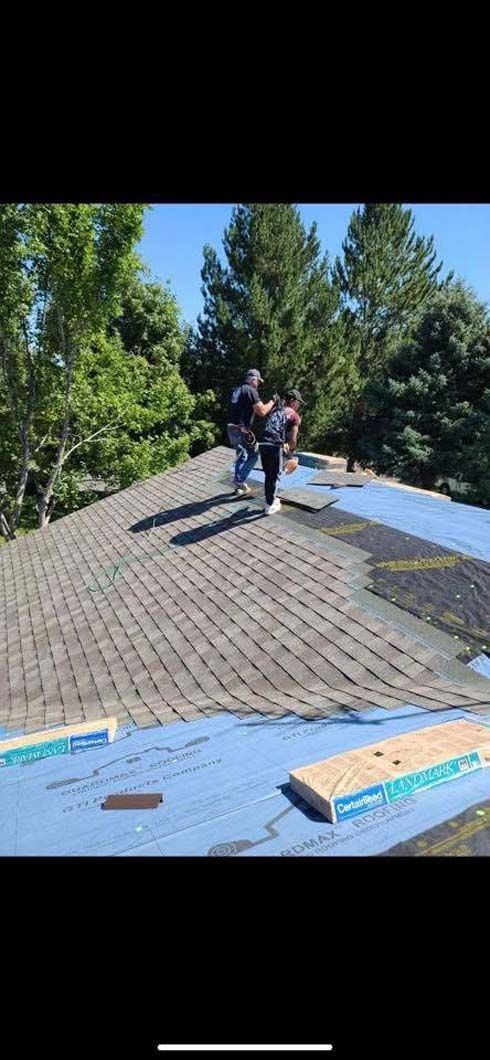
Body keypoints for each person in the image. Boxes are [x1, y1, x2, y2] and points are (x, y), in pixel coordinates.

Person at [227, 368, 277, 494]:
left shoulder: (237, 390)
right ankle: (239, 480)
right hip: (241, 430)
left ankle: (239, 486)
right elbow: (262, 411)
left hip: (231, 429)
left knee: (241, 455)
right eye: (258, 382)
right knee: (254, 454)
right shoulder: (250, 390)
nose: (258, 385)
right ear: (253, 379)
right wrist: (273, 402)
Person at [260, 388, 305, 515]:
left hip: (263, 443)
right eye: (298, 402)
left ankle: (269, 500)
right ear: (294, 401)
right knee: (274, 477)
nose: (299, 405)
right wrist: (291, 454)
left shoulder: (275, 410)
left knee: (269, 475)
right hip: (274, 446)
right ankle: (270, 505)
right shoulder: (294, 416)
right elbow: (293, 439)